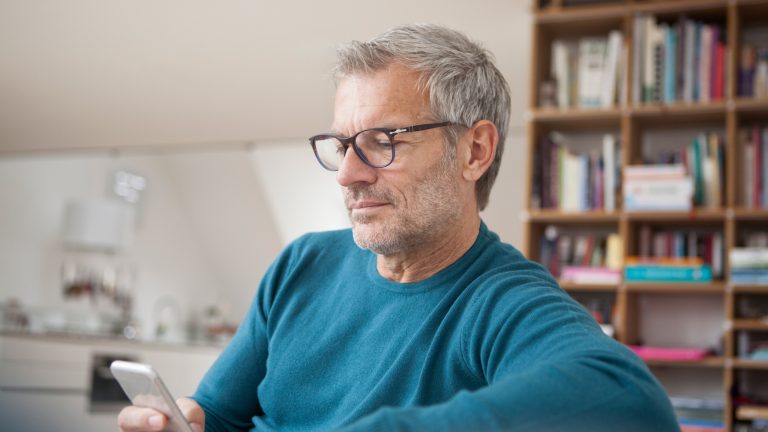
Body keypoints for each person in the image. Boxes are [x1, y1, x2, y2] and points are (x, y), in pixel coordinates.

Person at [119, 24, 679, 432]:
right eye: (342, 144)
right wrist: (184, 421)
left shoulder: (504, 301)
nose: (347, 174)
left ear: (475, 151)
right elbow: (218, 414)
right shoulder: (301, 265)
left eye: (383, 142)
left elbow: (633, 404)